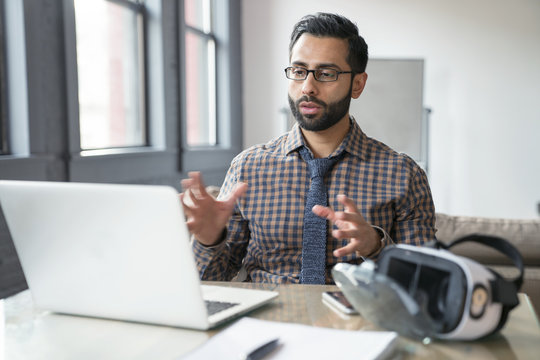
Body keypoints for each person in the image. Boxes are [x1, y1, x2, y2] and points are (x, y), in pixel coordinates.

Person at [181, 12, 436, 284]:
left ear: (357, 84)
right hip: (265, 320)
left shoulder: (403, 175)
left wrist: (376, 247)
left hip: (355, 320)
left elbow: (426, 285)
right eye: (299, 71)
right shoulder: (248, 167)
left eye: (326, 74)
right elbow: (209, 283)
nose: (308, 87)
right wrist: (209, 241)